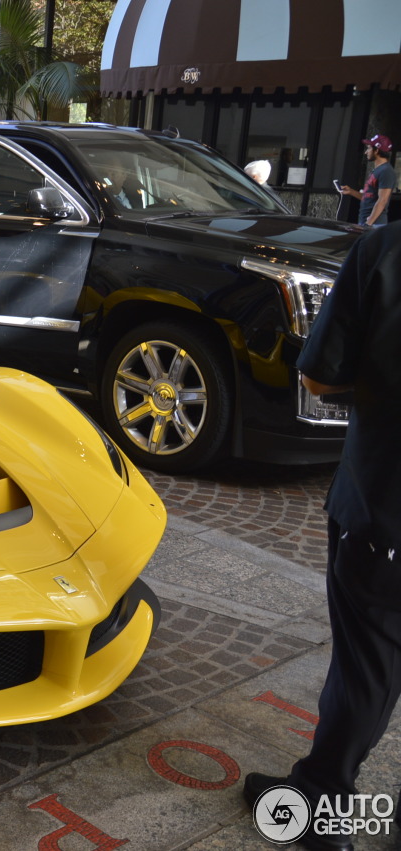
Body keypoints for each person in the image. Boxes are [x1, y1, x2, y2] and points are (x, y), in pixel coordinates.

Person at [243, 220, 401, 851]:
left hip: (385, 508)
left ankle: (321, 807)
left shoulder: (385, 251)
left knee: (366, 670)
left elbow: (319, 376)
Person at [338, 134, 395, 228]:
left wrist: (368, 225)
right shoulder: (378, 170)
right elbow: (369, 198)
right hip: (366, 223)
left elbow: (382, 200)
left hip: (374, 225)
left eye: (368, 148)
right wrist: (351, 192)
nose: (366, 152)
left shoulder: (386, 171)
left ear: (376, 150)